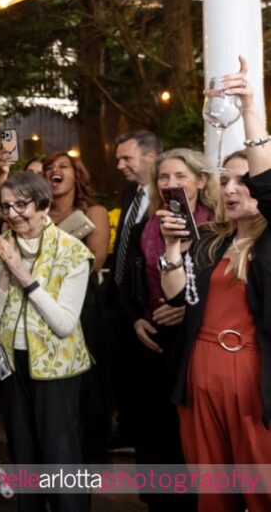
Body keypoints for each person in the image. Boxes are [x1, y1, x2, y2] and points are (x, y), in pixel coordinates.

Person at [159, 58, 271, 512]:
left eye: (242, 181)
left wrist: (249, 109)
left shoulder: (270, 244)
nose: (230, 189)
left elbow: (270, 184)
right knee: (213, 489)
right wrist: (170, 250)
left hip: (253, 376)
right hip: (200, 371)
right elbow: (174, 297)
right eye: (224, 180)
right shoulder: (209, 239)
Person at [0, 171, 93, 512]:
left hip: (57, 369)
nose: (13, 214)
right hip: (13, 365)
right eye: (5, 207)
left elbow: (63, 324)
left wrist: (24, 276)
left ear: (42, 204)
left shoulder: (72, 251)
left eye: (21, 205)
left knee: (61, 455)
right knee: (23, 452)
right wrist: (3, 273)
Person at [127, 148, 216, 512]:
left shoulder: (216, 227)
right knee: (154, 433)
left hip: (193, 342)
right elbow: (129, 282)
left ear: (201, 180)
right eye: (164, 178)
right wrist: (136, 318)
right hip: (151, 341)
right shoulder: (146, 226)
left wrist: (187, 312)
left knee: (190, 436)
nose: (171, 184)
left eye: (180, 176)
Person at [42, 151, 111, 459]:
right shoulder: (38, 214)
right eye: (49, 168)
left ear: (76, 174)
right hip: (41, 302)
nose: (54, 171)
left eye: (62, 166)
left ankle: (90, 452)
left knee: (87, 379)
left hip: (81, 301)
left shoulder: (93, 212)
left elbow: (95, 260)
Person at [107, 130, 161, 450]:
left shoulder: (166, 198)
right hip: (120, 302)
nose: (119, 165)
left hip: (149, 308)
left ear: (151, 157)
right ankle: (128, 430)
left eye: (126, 158)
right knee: (123, 374)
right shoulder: (130, 194)